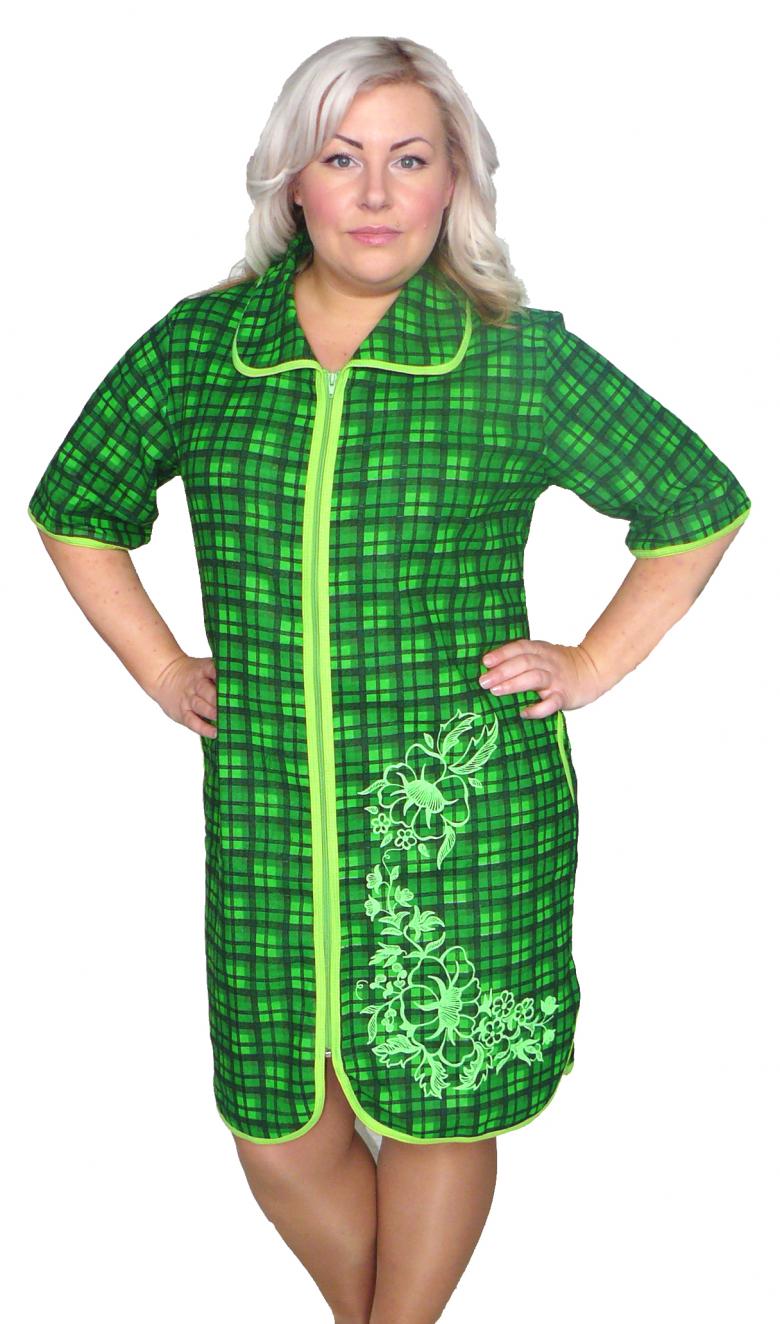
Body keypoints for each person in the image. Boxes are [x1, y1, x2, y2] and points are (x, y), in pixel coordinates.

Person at [27, 34, 751, 1324]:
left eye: (408, 160)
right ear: (290, 179)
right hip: (267, 801)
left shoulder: (512, 355)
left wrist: (591, 661)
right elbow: (77, 506)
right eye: (340, 157)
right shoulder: (205, 350)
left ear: (452, 179)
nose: (373, 192)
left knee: (439, 1103)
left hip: (457, 811)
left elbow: (697, 503)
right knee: (276, 1120)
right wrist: (161, 668)